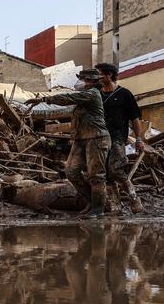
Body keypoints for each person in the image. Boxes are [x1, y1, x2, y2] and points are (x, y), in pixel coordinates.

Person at [27, 69, 111, 218]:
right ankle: (91, 202)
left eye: (82, 79)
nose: (79, 82)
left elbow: (68, 98)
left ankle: (98, 210)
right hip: (80, 139)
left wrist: (43, 100)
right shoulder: (84, 98)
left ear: (91, 81)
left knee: (96, 175)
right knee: (71, 171)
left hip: (96, 138)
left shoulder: (92, 94)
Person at [95, 62, 151, 213]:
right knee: (105, 173)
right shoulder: (96, 93)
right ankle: (116, 205)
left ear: (109, 75)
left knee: (116, 169)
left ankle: (134, 199)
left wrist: (138, 139)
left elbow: (135, 118)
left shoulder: (124, 94)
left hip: (118, 137)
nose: (98, 77)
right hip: (99, 138)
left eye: (100, 74)